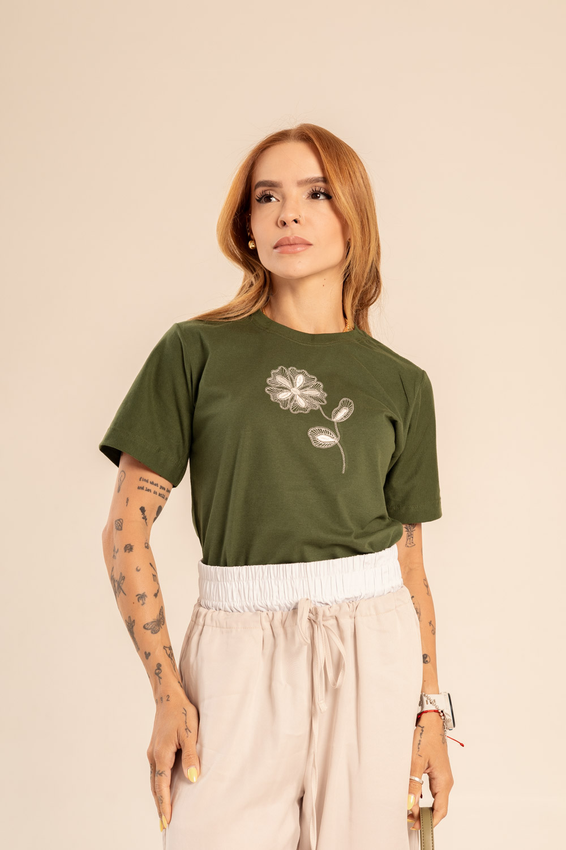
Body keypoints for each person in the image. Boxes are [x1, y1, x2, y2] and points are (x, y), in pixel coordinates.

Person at [99, 123, 455, 850]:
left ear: (354, 217)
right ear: (248, 226)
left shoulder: (402, 383)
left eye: (316, 194)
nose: (289, 213)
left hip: (374, 646)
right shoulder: (194, 351)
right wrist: (167, 692)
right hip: (236, 651)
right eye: (268, 197)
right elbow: (125, 530)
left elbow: (410, 566)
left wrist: (430, 714)